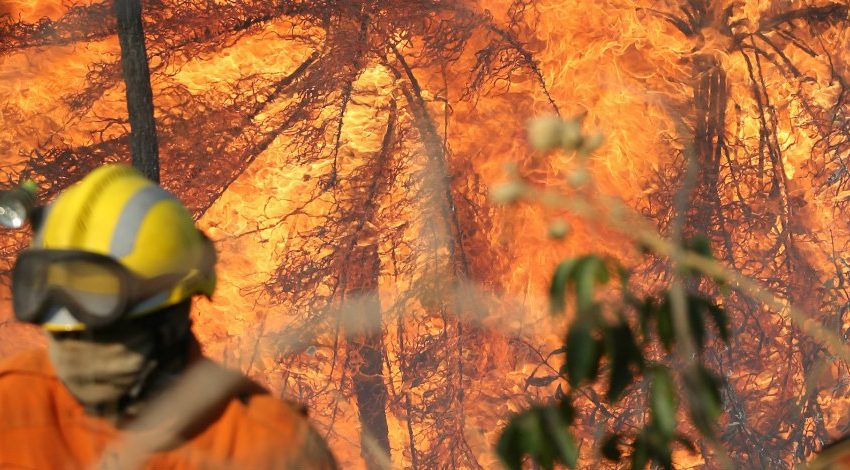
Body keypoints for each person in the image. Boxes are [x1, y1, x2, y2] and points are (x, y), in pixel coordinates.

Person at [0, 164, 337, 469]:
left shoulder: (268, 451)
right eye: (60, 328)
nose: (76, 346)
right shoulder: (13, 401)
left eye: (106, 329)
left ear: (170, 315)